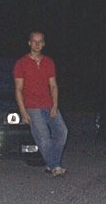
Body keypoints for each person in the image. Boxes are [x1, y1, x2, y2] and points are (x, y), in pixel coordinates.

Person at [14, 31, 68, 176]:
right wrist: (23, 112)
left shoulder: (48, 62)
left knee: (62, 132)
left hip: (48, 103)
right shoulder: (21, 63)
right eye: (34, 41)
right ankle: (55, 166)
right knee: (43, 137)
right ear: (29, 43)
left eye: (40, 41)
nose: (37, 44)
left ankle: (52, 165)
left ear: (43, 44)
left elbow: (53, 85)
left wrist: (55, 105)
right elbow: (18, 89)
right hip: (32, 106)